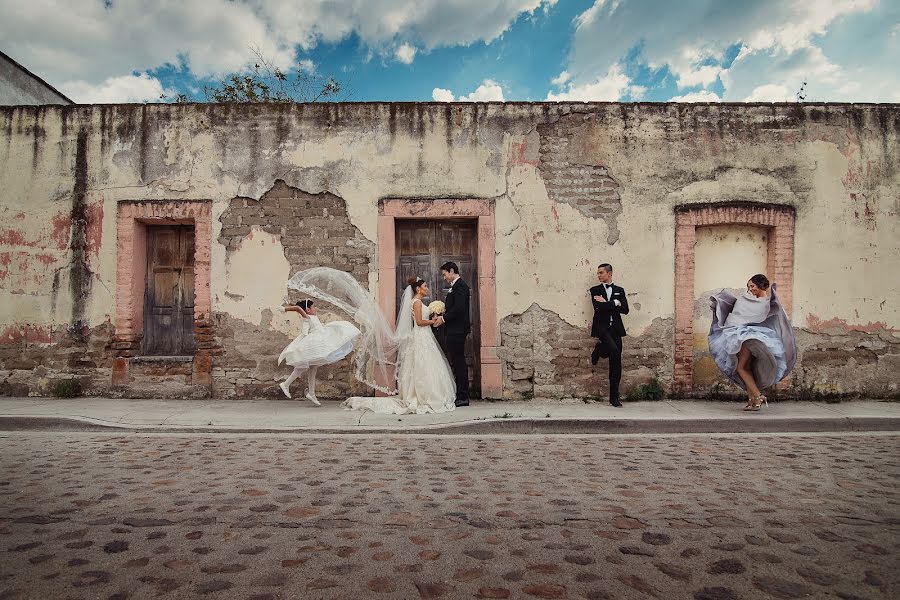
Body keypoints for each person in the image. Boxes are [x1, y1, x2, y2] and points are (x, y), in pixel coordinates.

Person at [342, 276, 456, 414]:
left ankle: (420, 393)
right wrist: (434, 321)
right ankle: (425, 396)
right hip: (421, 335)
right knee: (424, 365)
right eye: (425, 286)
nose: (427, 288)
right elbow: (419, 322)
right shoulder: (417, 303)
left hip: (423, 336)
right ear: (418, 289)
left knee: (422, 365)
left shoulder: (416, 302)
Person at [708, 274, 796, 411]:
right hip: (742, 335)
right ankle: (753, 401)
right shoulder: (748, 300)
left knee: (741, 368)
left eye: (752, 286)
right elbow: (737, 315)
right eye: (748, 286)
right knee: (746, 367)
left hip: (748, 337)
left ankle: (758, 396)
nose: (750, 289)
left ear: (761, 285)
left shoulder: (767, 303)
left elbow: (771, 319)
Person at [277, 299, 360, 405]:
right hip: (313, 343)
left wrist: (290, 303)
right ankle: (286, 384)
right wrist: (285, 309)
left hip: (318, 338)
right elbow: (298, 309)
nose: (315, 308)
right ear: (308, 310)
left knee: (312, 367)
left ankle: (310, 393)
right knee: (303, 366)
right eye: (313, 307)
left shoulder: (310, 315)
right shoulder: (307, 316)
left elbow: (299, 308)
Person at [589, 263, 629, 407]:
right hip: (602, 328)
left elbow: (625, 310)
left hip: (616, 329)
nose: (598, 275)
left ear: (609, 273)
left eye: (601, 273)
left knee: (616, 363)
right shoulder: (595, 290)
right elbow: (599, 307)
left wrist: (609, 303)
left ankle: (614, 398)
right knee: (614, 350)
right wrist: (615, 303)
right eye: (598, 273)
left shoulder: (620, 290)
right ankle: (600, 349)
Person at [433, 261, 471, 407]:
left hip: (457, 331)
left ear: (451, 271)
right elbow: (454, 307)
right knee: (456, 361)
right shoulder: (455, 286)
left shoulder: (460, 286)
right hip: (454, 330)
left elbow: (459, 308)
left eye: (445, 274)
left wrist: (443, 318)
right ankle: (460, 394)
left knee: (459, 363)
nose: (444, 278)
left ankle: (463, 396)